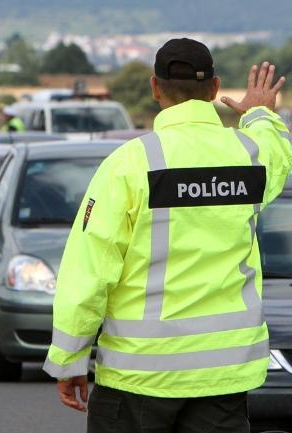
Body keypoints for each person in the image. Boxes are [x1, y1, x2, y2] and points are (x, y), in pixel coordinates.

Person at [44, 38, 291, 433]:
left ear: (155, 88)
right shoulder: (249, 155)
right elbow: (278, 153)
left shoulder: (127, 164)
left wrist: (70, 359)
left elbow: (88, 270)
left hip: (138, 377)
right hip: (222, 375)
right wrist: (259, 115)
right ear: (214, 88)